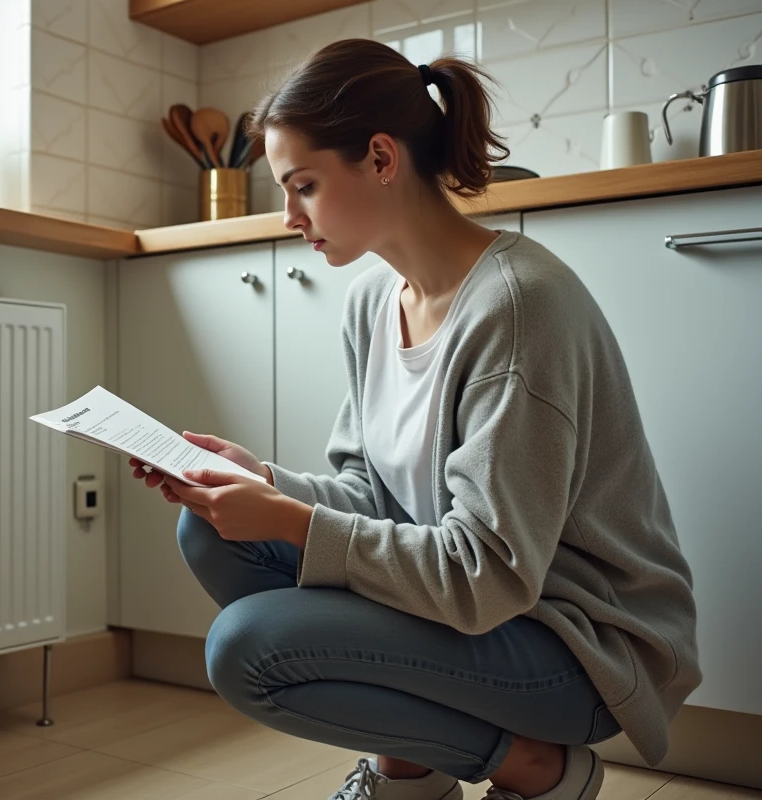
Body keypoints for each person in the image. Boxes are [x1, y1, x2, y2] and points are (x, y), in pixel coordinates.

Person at [127, 38, 700, 800]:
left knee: (248, 649)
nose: (289, 216)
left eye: (303, 185)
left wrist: (293, 521)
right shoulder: (372, 300)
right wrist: (262, 481)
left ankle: (539, 769)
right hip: (472, 611)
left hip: (573, 643)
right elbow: (370, 491)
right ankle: (412, 771)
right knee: (209, 528)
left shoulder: (518, 308)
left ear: (381, 158)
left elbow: (486, 576)